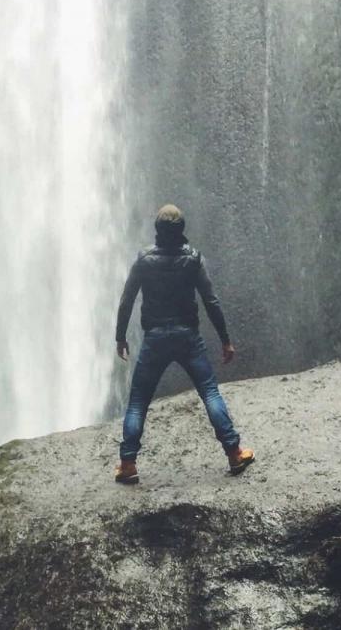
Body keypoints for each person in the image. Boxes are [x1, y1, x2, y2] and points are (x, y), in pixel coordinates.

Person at [113, 203, 254, 484]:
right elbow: (210, 301)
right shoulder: (193, 259)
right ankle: (234, 453)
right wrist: (225, 340)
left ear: (157, 230)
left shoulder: (144, 260)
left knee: (138, 402)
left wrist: (120, 337)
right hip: (188, 337)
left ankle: (128, 464)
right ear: (181, 231)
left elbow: (127, 300)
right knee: (210, 394)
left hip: (155, 338)